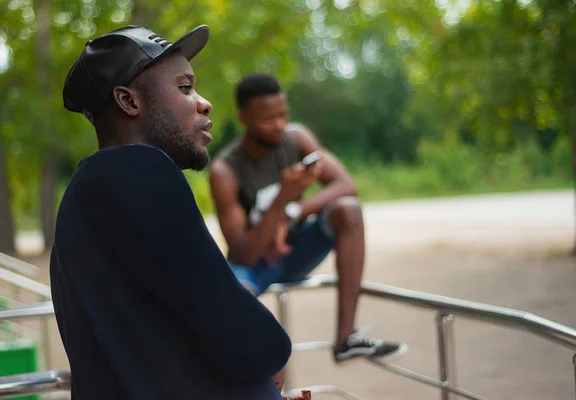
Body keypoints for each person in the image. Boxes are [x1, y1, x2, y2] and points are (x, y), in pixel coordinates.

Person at [52, 25, 292, 399]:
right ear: (128, 101)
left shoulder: (87, 190)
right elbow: (251, 341)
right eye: (184, 88)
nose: (204, 102)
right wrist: (269, 347)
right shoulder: (140, 170)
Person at [209, 73, 408, 363]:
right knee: (232, 299)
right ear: (243, 118)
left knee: (348, 209)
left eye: (283, 114)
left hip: (298, 249)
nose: (278, 124)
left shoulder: (297, 138)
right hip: (256, 264)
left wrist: (290, 212)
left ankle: (346, 338)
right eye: (267, 118)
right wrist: (282, 198)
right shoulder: (225, 171)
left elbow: (345, 185)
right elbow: (244, 253)